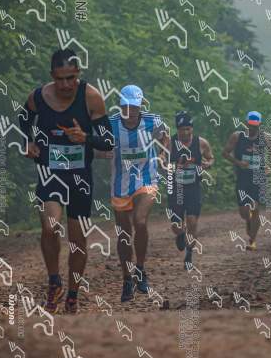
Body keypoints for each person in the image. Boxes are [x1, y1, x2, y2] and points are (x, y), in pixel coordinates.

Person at [18, 48, 114, 314]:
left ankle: (72, 294)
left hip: (79, 176)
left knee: (77, 239)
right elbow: (24, 118)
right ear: (52, 76)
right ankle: (54, 282)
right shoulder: (39, 97)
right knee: (50, 227)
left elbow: (108, 141)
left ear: (78, 74)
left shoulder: (91, 97)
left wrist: (86, 138)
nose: (65, 85)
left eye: (71, 78)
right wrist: (28, 141)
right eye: (60, 79)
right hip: (50, 172)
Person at [105, 85, 169, 302]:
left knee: (140, 222)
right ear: (120, 105)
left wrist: (161, 154)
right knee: (124, 233)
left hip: (147, 178)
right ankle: (126, 279)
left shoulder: (152, 121)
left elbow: (165, 136)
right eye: (126, 106)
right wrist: (101, 152)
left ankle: (140, 269)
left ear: (141, 105)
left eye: (134, 106)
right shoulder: (111, 124)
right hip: (120, 184)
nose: (130, 111)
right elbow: (98, 146)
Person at [167, 111, 214, 269]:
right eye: (182, 130)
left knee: (192, 222)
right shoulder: (170, 143)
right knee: (176, 226)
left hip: (193, 187)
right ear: (177, 129)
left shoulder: (201, 143)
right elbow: (161, 159)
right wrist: (169, 165)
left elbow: (211, 157)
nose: (186, 133)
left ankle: (189, 254)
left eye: (188, 129)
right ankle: (180, 234)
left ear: (192, 128)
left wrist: (208, 164)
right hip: (175, 188)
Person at [223, 111, 271, 251]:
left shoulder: (266, 137)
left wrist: (269, 166)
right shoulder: (237, 136)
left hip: (259, 177)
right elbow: (225, 153)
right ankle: (248, 220)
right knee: (244, 211)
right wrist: (238, 162)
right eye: (250, 125)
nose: (252, 128)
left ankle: (252, 240)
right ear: (246, 123)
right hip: (242, 178)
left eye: (255, 125)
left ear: (259, 125)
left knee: (255, 208)